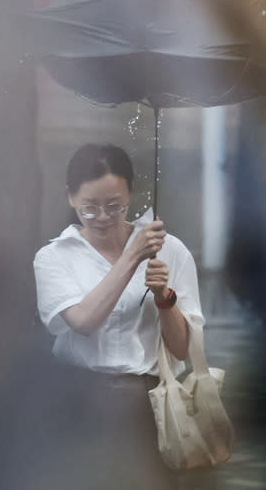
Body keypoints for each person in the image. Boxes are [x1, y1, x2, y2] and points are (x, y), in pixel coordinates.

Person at [33, 143, 204, 489]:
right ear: (70, 198)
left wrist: (163, 298)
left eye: (115, 206)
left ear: (130, 195)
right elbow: (83, 321)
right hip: (75, 399)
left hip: (145, 402)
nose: (103, 218)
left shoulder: (170, 250)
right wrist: (132, 256)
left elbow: (184, 350)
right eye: (89, 208)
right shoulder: (53, 257)